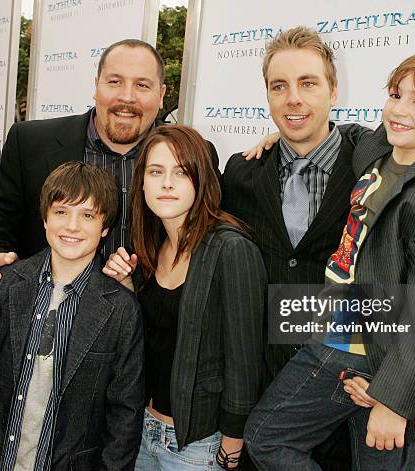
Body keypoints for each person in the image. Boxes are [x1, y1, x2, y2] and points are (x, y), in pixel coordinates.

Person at [243, 48, 415, 470]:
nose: (400, 110)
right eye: (396, 94)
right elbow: (334, 130)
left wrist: (393, 400)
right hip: (361, 339)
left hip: (361, 344)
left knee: (267, 437)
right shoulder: (378, 150)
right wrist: (282, 135)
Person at [0, 38, 219, 305]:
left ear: (161, 95)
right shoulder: (31, 143)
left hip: (154, 327)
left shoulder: (195, 157)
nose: (127, 97)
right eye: (114, 82)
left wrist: (271, 149)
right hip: (48, 314)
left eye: (142, 85)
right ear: (96, 86)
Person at [221, 26, 369, 469]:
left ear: (333, 90)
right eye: (279, 86)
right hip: (262, 398)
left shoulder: (370, 165)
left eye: (308, 83)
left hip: (346, 400)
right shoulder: (242, 174)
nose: (293, 99)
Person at [0, 162, 145, 470]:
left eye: (87, 215)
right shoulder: (3, 285)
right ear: (45, 218)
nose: (72, 226)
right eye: (61, 212)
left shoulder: (121, 310)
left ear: (105, 227)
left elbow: (124, 416)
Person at [105, 125, 266, 470]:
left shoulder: (231, 248)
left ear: (200, 180)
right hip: (141, 431)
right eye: (155, 171)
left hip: (197, 445)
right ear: (141, 182)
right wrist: (128, 291)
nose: (166, 183)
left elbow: (245, 358)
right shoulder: (149, 246)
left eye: (181, 172)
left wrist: (233, 443)